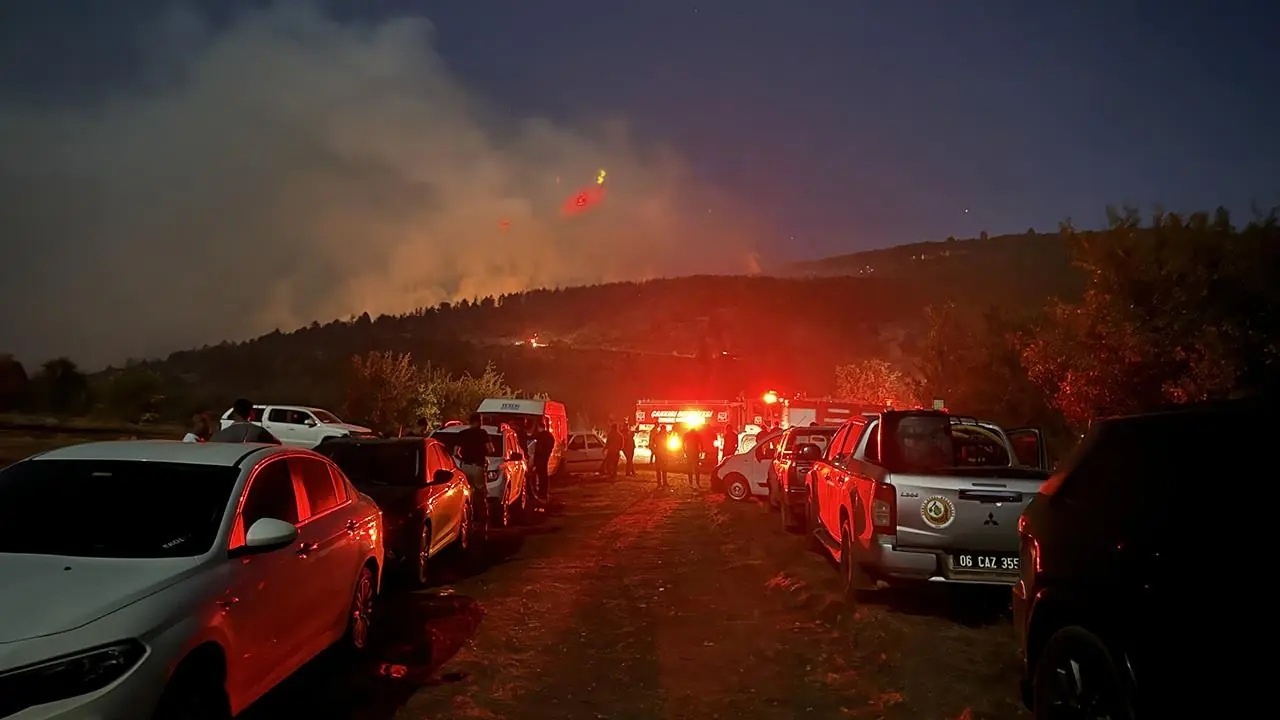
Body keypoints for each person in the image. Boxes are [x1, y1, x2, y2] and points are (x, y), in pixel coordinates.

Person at [453, 413, 491, 526]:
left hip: (465, 467)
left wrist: (462, 460)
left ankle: (469, 518)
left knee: (467, 494)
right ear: (479, 421)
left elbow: (455, 452)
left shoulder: (462, 434)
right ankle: (483, 522)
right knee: (481, 494)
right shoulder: (482, 433)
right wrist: (484, 455)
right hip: (478, 467)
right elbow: (490, 448)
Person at [208, 398, 281, 444]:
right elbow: (277, 445)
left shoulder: (218, 436)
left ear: (234, 413)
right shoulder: (258, 432)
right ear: (251, 413)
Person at [531, 420, 555, 506]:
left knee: (540, 476)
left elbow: (538, 450)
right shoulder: (549, 436)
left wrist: (535, 462)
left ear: (539, 428)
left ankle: (541, 493)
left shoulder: (540, 436)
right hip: (545, 458)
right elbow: (552, 444)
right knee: (544, 475)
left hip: (540, 459)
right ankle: (543, 493)